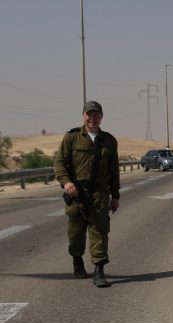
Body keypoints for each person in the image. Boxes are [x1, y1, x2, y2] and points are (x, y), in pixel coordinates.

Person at [54, 101, 120, 287]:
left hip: (99, 194)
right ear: (83, 115)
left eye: (96, 115)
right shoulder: (72, 137)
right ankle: (77, 260)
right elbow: (59, 163)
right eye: (89, 114)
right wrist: (67, 182)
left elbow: (114, 171)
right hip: (76, 193)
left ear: (101, 117)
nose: (92, 118)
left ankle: (99, 269)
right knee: (75, 233)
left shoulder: (109, 141)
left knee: (100, 230)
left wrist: (115, 196)